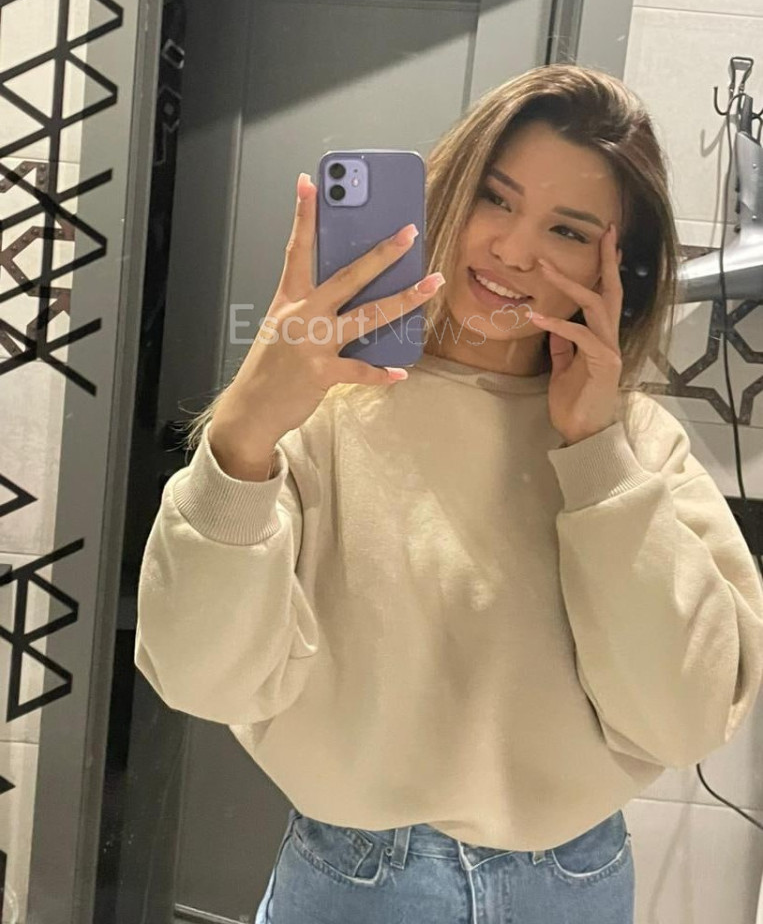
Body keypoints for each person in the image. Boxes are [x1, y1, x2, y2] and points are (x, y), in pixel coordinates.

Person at [134, 63, 763, 924]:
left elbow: (684, 721)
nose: (512, 250)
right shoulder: (321, 417)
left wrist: (596, 454)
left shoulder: (637, 447)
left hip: (571, 885)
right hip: (352, 883)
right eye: (495, 199)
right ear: (448, 192)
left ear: (621, 267)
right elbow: (198, 679)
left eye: (567, 229)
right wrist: (242, 436)